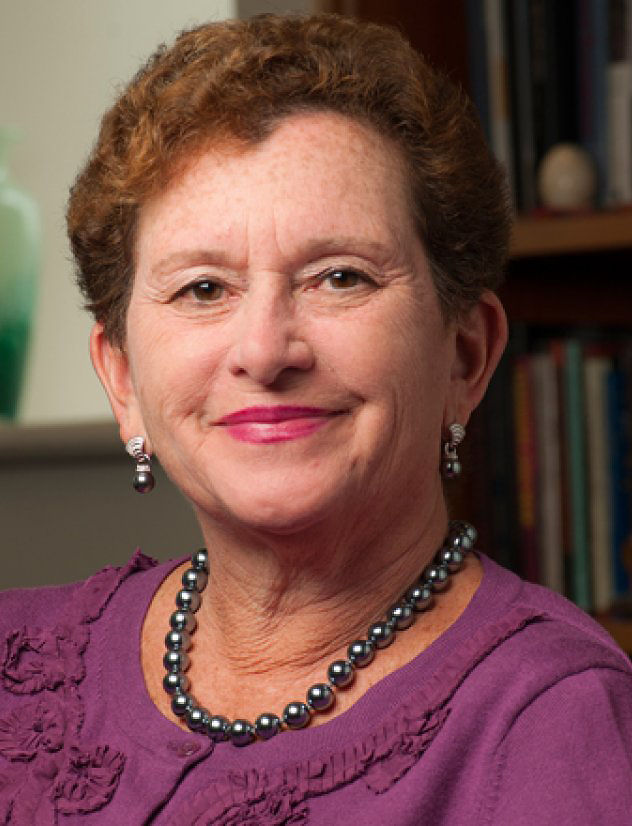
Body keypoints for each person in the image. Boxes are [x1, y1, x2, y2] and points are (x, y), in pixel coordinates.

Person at [1, 13, 631, 825]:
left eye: (340, 277)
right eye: (203, 288)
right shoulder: (16, 663)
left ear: (465, 356)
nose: (265, 351)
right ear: (122, 379)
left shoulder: (557, 724)